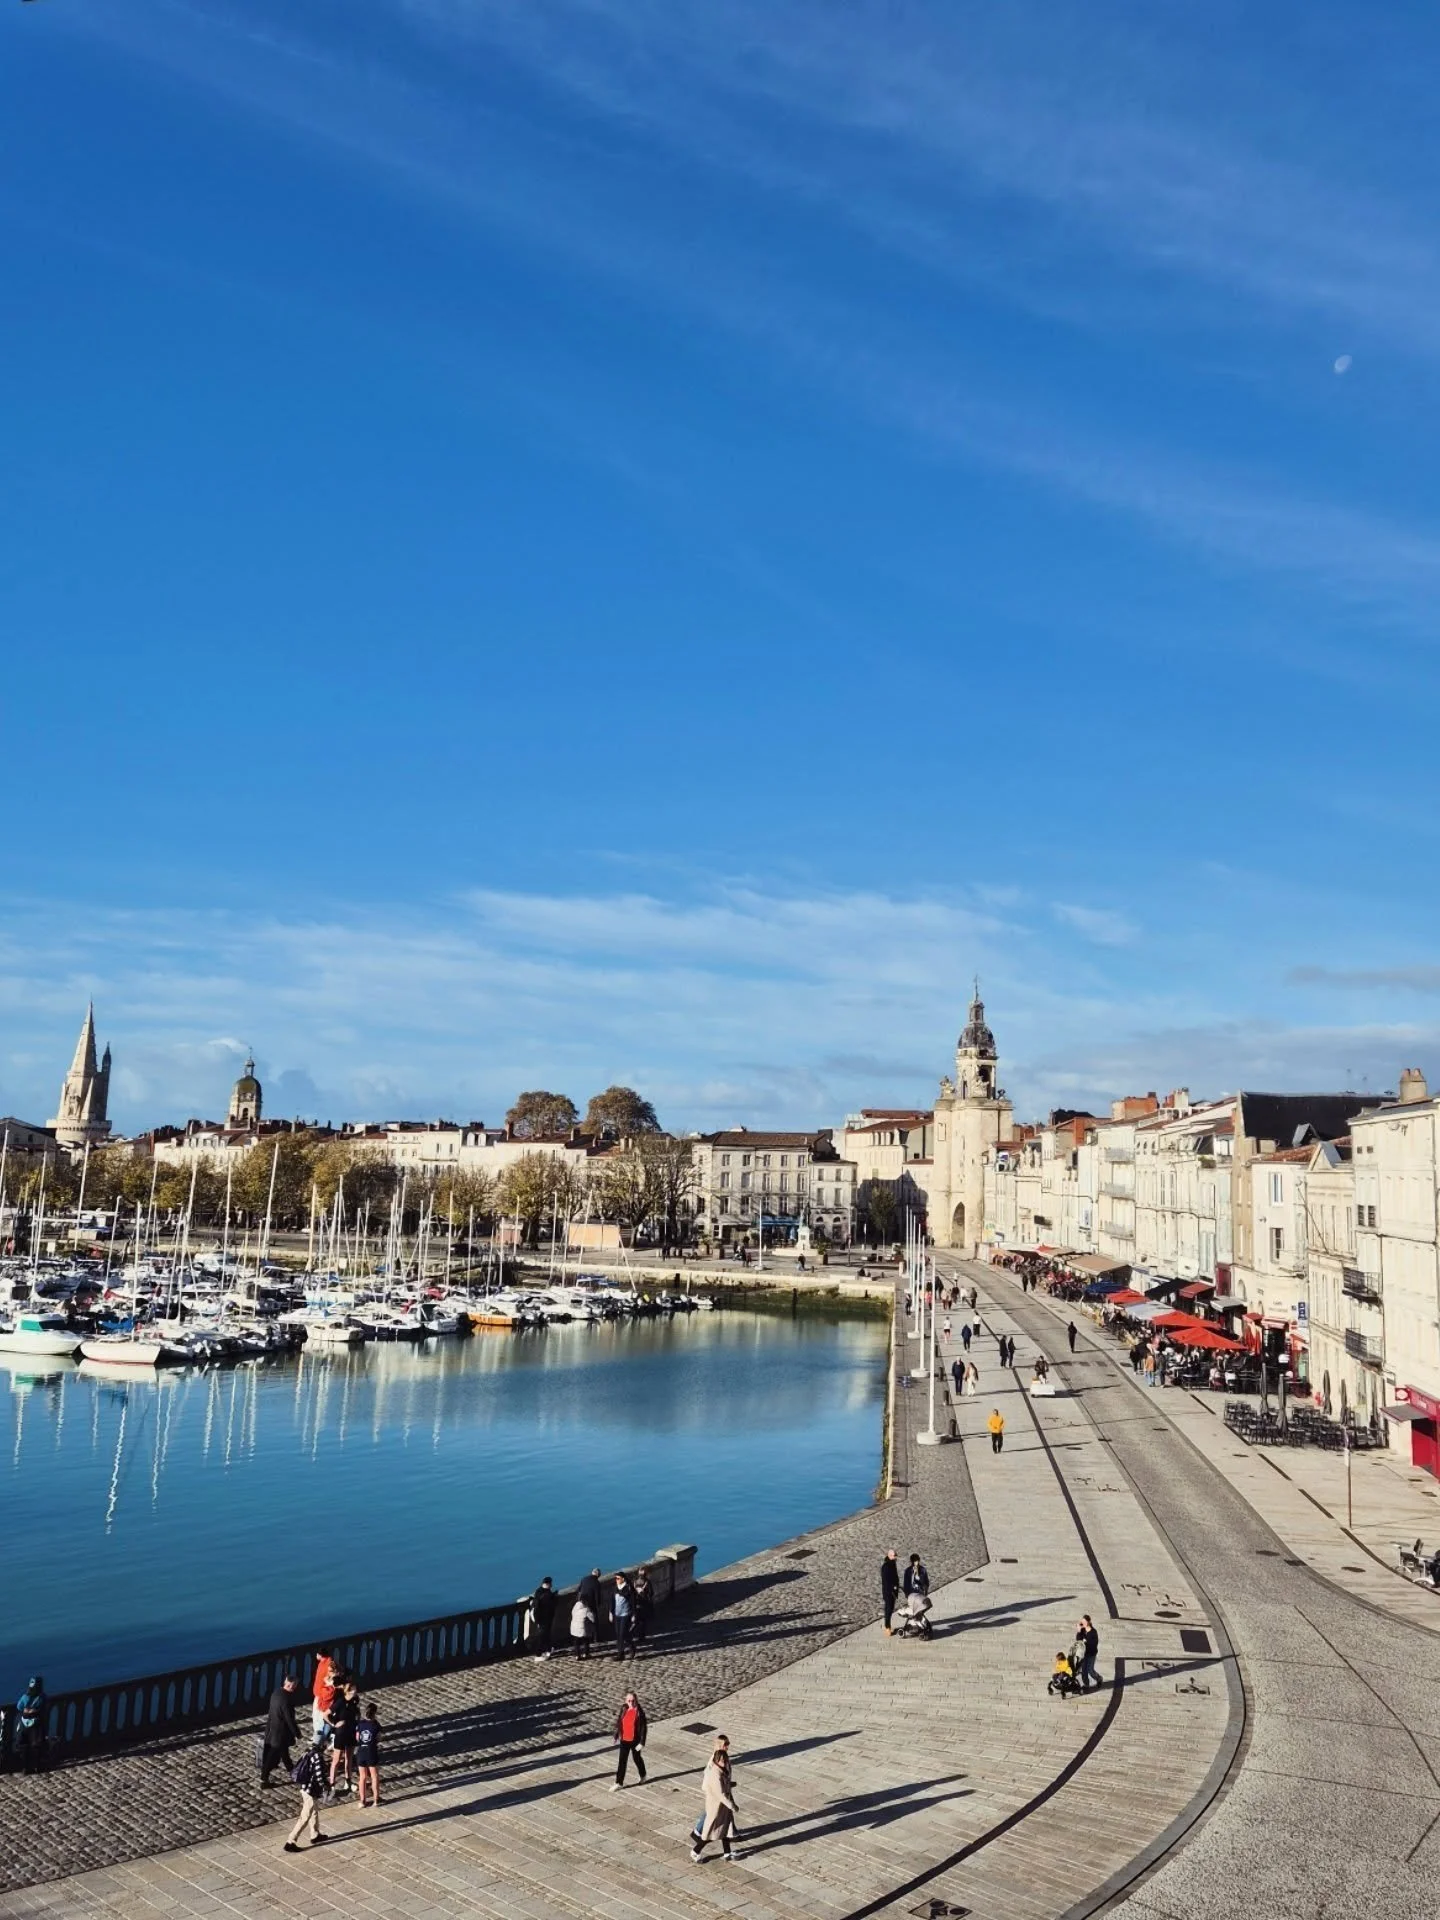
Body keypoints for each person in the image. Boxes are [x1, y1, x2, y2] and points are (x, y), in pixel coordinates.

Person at [690, 1737, 740, 1862]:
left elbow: (724, 1783)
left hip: (723, 1804)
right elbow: (719, 1793)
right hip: (717, 1805)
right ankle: (696, 1850)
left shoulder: (722, 1765)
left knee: (726, 1828)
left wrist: (730, 1784)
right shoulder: (715, 1771)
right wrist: (732, 1805)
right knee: (711, 1830)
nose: (724, 1762)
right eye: (722, 1761)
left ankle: (727, 1853)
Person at [283, 1737, 330, 1852]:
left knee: (314, 1811)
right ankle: (291, 1841)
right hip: (310, 1790)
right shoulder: (317, 1757)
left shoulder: (308, 1753)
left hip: (305, 1788)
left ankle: (315, 1834)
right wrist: (326, 1786)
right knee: (305, 1816)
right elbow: (319, 1775)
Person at [261, 1674, 301, 1788]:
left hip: (273, 1729)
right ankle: (264, 1778)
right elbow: (289, 1719)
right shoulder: (286, 1700)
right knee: (273, 1755)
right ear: (291, 1685)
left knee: (284, 1754)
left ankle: (293, 1773)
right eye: (295, 1685)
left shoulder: (276, 1693)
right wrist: (297, 1733)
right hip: (281, 1733)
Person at [611, 1689, 648, 1789]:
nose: (631, 1703)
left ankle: (643, 1775)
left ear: (636, 1701)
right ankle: (619, 1782)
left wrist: (642, 1742)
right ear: (625, 1701)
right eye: (629, 1701)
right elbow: (619, 1722)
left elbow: (643, 1728)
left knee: (637, 1759)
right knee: (622, 1761)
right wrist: (616, 1735)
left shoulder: (639, 1713)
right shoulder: (624, 1708)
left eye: (633, 1701)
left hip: (635, 1740)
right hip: (624, 1739)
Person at [327, 1680, 359, 1795]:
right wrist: (334, 1724)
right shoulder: (340, 1702)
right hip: (341, 1733)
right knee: (336, 1760)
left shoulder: (355, 1700)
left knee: (349, 1758)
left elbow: (356, 1713)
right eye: (354, 1689)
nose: (356, 1691)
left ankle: (348, 1781)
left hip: (351, 1731)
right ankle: (331, 1784)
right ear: (349, 1691)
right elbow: (326, 1714)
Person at [15, 1676, 46, 1776]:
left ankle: (25, 1767)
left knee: (24, 1745)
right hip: (36, 1724)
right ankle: (37, 1766)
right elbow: (44, 1707)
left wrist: (26, 1709)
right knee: (36, 1745)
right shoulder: (42, 1697)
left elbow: (19, 1706)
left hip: (24, 1723)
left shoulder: (25, 1697)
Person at [355, 1700, 382, 1807]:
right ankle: (376, 1799)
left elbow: (357, 1738)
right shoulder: (376, 1725)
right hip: (371, 1751)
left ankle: (362, 1801)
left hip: (361, 1751)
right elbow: (379, 1738)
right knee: (374, 1776)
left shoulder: (360, 1724)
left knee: (362, 1777)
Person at [902, 1552, 933, 1636]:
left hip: (920, 1594)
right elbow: (906, 1584)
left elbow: (926, 1583)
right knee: (913, 1611)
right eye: (914, 1561)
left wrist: (919, 1576)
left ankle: (922, 1626)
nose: (916, 1563)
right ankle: (915, 1625)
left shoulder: (923, 1570)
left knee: (919, 1610)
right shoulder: (908, 1571)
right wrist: (907, 1594)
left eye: (917, 1561)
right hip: (912, 1594)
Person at [310, 1645, 336, 1740]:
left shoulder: (329, 1664)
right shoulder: (323, 1662)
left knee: (320, 1717)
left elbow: (332, 1680)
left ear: (319, 1655)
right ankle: (318, 1736)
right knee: (316, 1716)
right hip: (319, 1693)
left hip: (323, 1695)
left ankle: (320, 1738)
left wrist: (326, 1686)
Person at [530, 1575, 558, 1661]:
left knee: (547, 1635)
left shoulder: (539, 1591)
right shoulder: (545, 1594)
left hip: (545, 1618)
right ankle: (538, 1655)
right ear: (549, 1584)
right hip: (543, 1619)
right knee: (542, 1636)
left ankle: (548, 1649)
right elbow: (540, 1608)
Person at [611, 1571, 636, 1662]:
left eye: (617, 1578)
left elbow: (633, 1602)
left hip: (626, 1614)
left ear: (623, 1579)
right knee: (618, 1634)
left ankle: (627, 1649)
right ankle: (622, 1652)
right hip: (617, 1614)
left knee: (623, 1633)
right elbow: (612, 1600)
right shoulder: (615, 1588)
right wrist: (611, 1612)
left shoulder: (629, 1588)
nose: (616, 1580)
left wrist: (634, 1614)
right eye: (615, 1578)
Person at [1076, 1615, 1102, 1692]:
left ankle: (1098, 1678)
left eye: (1084, 1622)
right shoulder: (1083, 1630)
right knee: (1084, 1670)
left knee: (1090, 1670)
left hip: (1091, 1654)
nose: (1083, 1623)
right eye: (1082, 1622)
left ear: (1089, 1622)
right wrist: (1079, 1631)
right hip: (1083, 1654)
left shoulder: (1093, 1632)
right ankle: (1086, 1685)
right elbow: (1078, 1641)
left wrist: (1085, 1643)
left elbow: (1093, 1645)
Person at [631, 1568, 654, 1653]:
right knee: (643, 1621)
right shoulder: (647, 1582)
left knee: (636, 1620)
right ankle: (641, 1636)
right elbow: (651, 1593)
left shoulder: (634, 1582)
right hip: (644, 1604)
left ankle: (635, 1634)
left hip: (636, 1603)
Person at [881, 1547, 901, 1635]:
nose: (896, 1557)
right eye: (894, 1556)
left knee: (891, 1608)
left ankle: (888, 1625)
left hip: (893, 1591)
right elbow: (886, 1580)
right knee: (888, 1609)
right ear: (889, 1556)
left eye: (896, 1555)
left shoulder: (892, 1564)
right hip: (888, 1592)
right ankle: (887, 1627)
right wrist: (893, 1587)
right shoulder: (886, 1566)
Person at [571, 1592, 596, 1659]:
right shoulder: (586, 1609)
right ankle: (586, 1654)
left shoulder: (575, 1607)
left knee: (576, 1642)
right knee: (586, 1640)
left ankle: (577, 1655)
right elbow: (592, 1618)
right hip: (582, 1628)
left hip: (574, 1628)